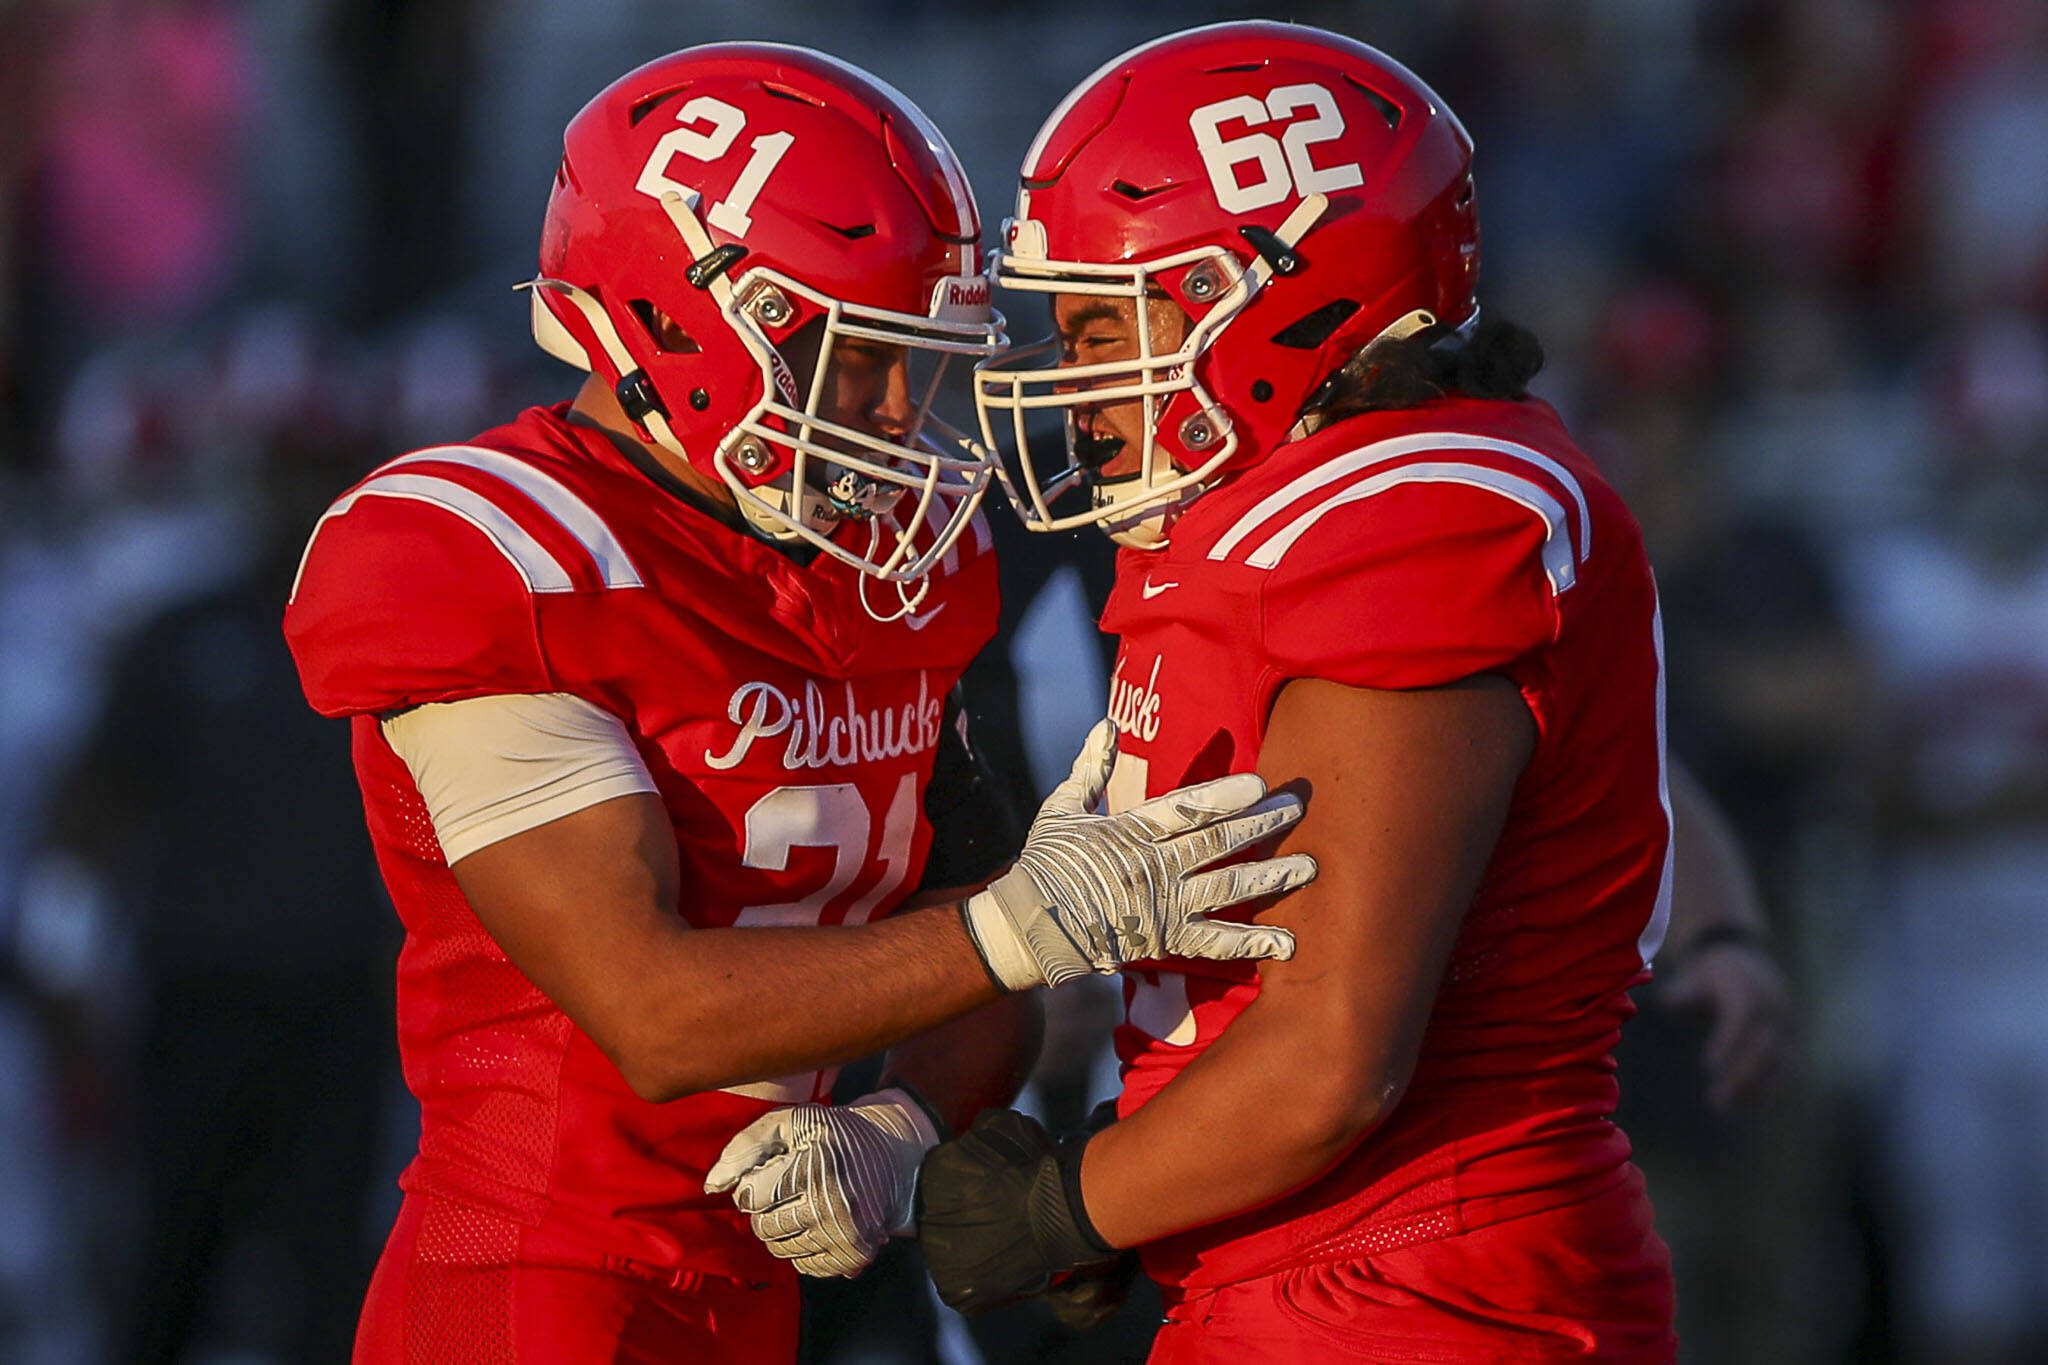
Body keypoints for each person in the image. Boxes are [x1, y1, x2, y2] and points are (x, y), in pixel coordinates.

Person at [281, 43, 1314, 1364]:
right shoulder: (493, 555)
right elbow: (653, 1010)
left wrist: (901, 1128)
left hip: (759, 1295)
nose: (897, 412)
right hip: (538, 1286)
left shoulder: (888, 569)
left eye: (912, 361)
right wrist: (1017, 926)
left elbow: (975, 945)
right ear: (695, 323)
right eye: (854, 357)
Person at [712, 23, 1680, 1358]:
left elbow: (1335, 1051)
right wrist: (1139, 1171)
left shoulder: (1416, 512)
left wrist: (1070, 1202)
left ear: (1277, 297)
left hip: (1418, 1283)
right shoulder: (1266, 524)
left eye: (1111, 318)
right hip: (1308, 1263)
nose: (1079, 372)